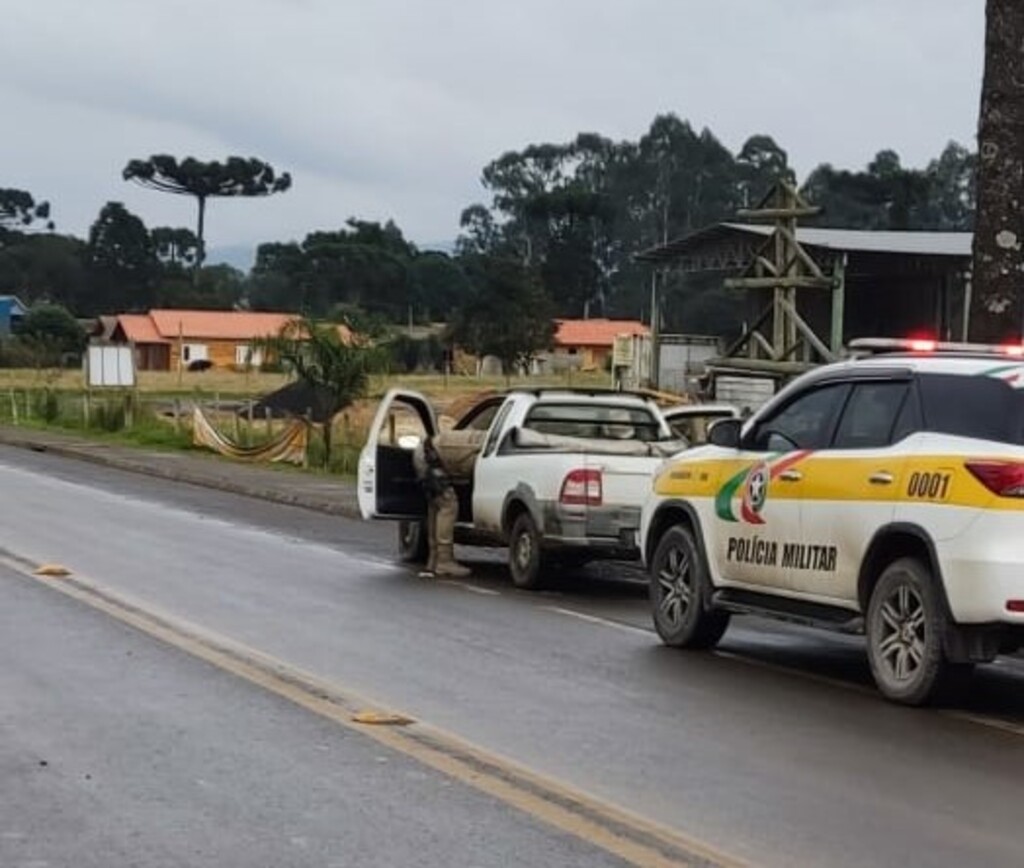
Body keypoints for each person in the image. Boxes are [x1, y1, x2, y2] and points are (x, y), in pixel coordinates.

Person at [412, 428, 486, 578]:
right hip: (430, 458)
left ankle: (434, 560)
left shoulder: (483, 439)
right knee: (448, 504)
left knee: (436, 506)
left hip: (425, 453)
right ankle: (444, 561)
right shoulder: (488, 449)